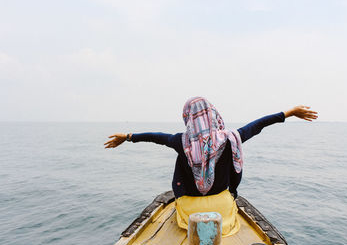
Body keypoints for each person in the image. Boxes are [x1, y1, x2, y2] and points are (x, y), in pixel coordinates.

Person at [104, 97, 318, 236]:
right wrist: (288, 113)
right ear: (214, 116)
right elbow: (258, 125)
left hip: (189, 214)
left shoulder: (182, 141)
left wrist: (128, 136)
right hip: (221, 211)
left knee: (180, 157)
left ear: (188, 118)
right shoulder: (231, 138)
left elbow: (156, 137)